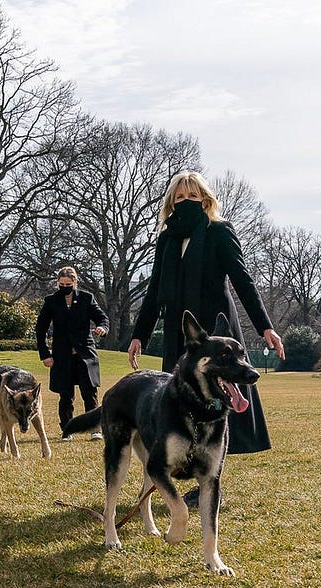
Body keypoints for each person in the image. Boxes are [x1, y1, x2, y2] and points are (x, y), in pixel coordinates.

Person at [127, 171, 286, 504]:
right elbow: (155, 291)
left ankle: (209, 484)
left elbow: (243, 281)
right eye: (179, 198)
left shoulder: (219, 232)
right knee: (179, 405)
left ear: (205, 199)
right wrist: (139, 334)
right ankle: (177, 469)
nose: (185, 202)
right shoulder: (166, 239)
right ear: (171, 203)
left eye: (192, 196)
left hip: (214, 333)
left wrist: (265, 326)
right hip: (179, 334)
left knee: (218, 405)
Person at [35, 266, 110, 441]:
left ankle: (95, 429)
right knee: (65, 394)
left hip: (85, 352)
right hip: (62, 355)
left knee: (89, 392)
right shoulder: (51, 301)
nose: (65, 287)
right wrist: (45, 354)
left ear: (75, 283)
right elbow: (41, 329)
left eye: (68, 284)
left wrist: (102, 328)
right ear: (57, 284)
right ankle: (67, 430)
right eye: (61, 284)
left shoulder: (86, 298)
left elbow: (102, 318)